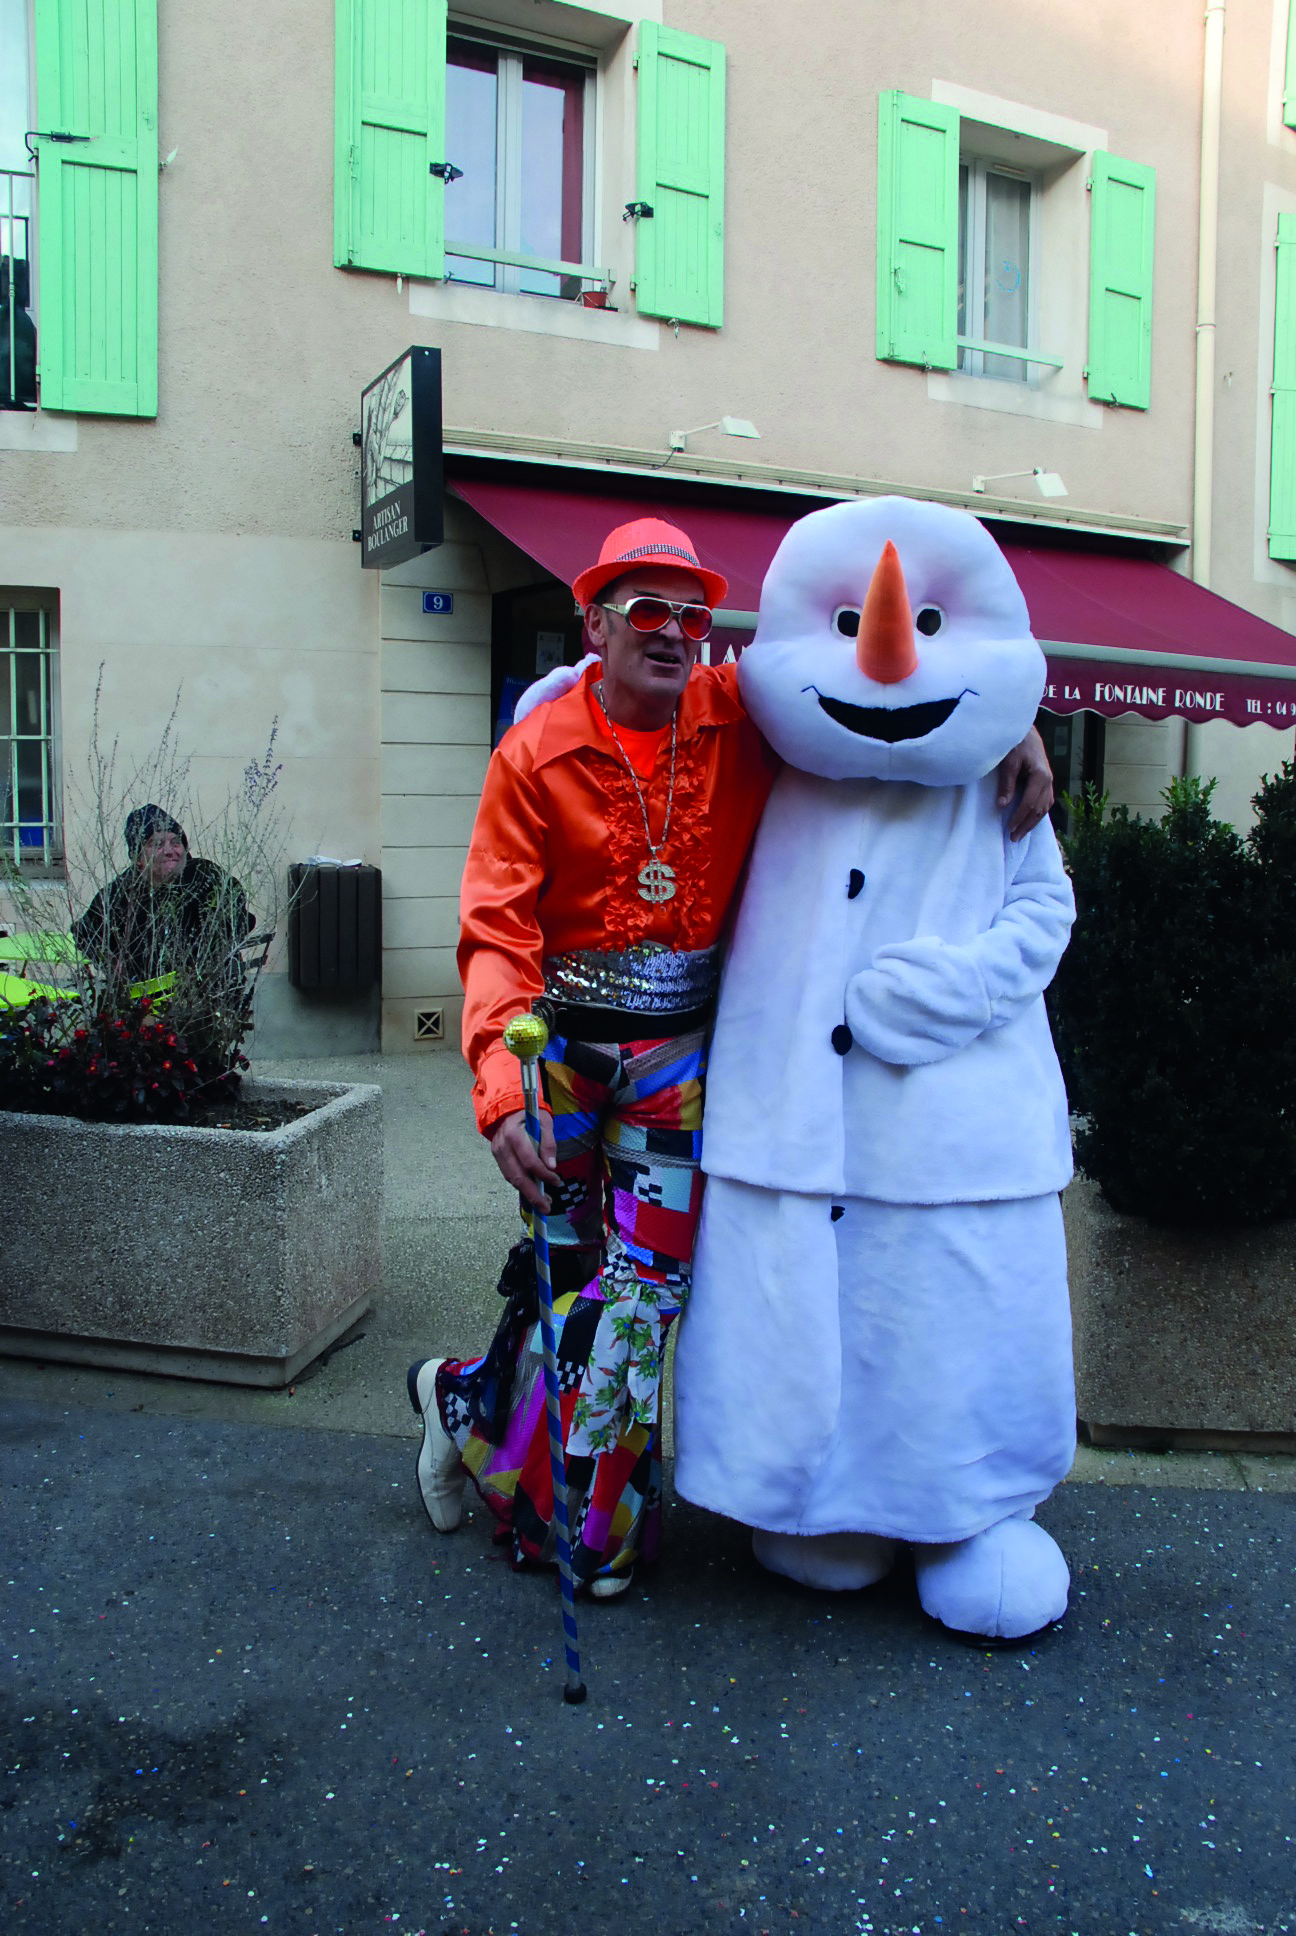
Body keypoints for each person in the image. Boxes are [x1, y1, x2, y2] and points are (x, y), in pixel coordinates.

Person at [407, 516, 1055, 1599]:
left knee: (644, 1299)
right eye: (645, 611)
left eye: (693, 615)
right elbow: (495, 928)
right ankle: (508, 1445)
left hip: (675, 1064)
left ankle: (538, 1473)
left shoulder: (737, 710)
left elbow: (868, 682)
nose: (674, 632)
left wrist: (1016, 727)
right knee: (576, 1297)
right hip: (559, 1057)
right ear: (597, 623)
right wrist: (499, 1084)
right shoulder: (534, 747)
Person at [73, 804, 253, 993]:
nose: (170, 851)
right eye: (157, 844)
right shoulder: (121, 892)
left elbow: (241, 919)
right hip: (143, 998)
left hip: (208, 992)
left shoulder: (205, 877)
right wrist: (112, 961)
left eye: (176, 842)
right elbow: (85, 933)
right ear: (138, 857)